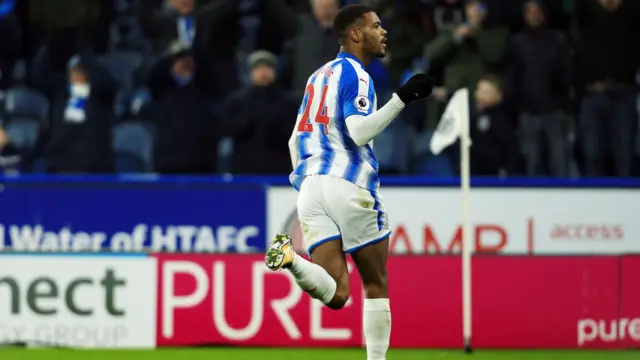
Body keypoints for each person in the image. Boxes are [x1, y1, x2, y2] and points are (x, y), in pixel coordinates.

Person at [264, 5, 433, 360]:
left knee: (338, 294)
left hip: (310, 187)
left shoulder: (316, 77)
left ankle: (292, 260)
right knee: (375, 283)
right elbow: (357, 132)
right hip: (349, 183)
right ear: (356, 34)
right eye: (375, 26)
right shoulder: (357, 75)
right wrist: (402, 98)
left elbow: (295, 140)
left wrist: (309, 181)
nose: (383, 31)